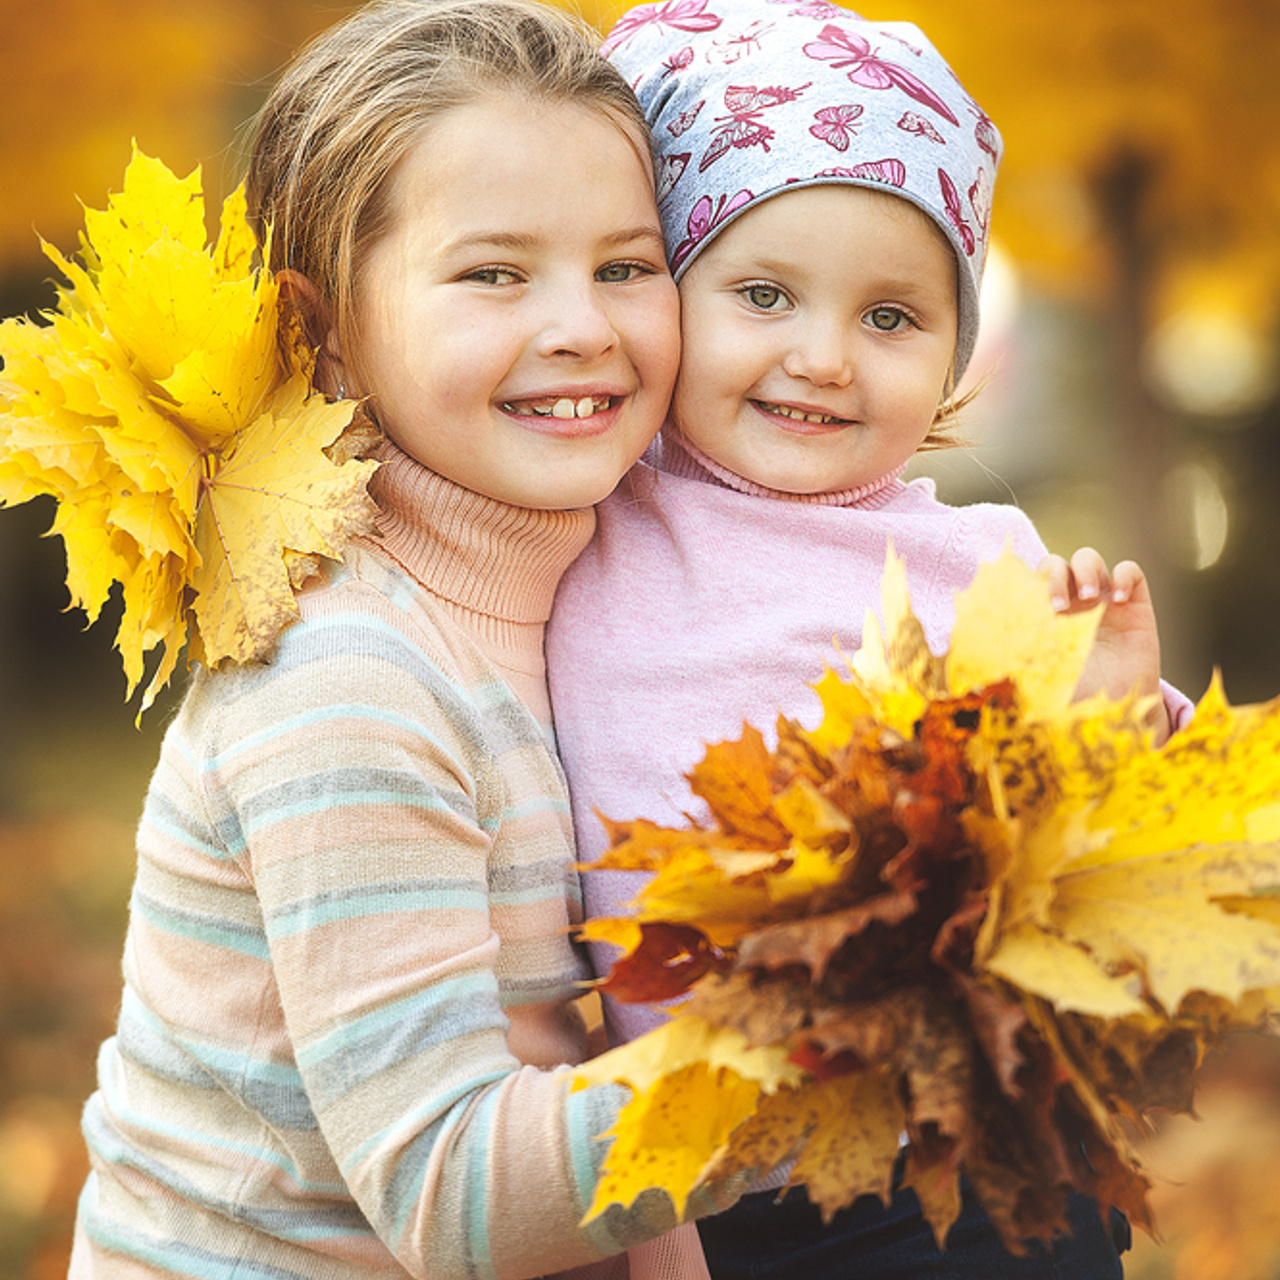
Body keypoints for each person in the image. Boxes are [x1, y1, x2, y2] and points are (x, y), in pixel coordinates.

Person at [67, 2, 747, 1276]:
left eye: (624, 264)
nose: (581, 326)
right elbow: (457, 1194)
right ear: (322, 330)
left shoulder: (600, 607)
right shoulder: (346, 680)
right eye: (493, 271)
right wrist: (828, 1049)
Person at [546, 2, 1192, 1276]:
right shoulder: (576, 518)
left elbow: (1124, 866)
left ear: (956, 351)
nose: (824, 357)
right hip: (695, 1183)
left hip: (952, 1162)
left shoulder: (985, 566)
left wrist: (1114, 711)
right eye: (763, 293)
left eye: (890, 318)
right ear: (660, 294)